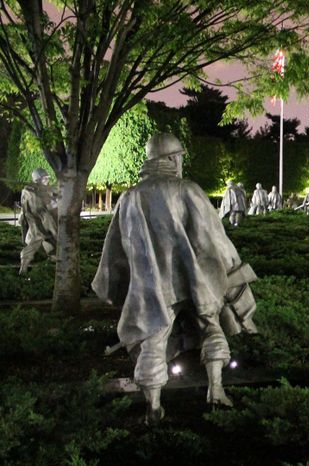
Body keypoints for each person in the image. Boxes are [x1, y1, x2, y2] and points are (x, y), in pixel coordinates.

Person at [92, 133, 258, 424]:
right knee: (211, 326)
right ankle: (216, 389)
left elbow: (115, 250)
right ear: (169, 159)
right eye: (179, 156)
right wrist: (231, 271)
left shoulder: (130, 197)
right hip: (195, 280)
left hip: (152, 286)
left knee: (152, 341)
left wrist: (115, 286)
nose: (181, 161)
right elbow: (214, 238)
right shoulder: (188, 190)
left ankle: (154, 405)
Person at [18, 168, 58, 275]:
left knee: (53, 247)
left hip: (44, 227)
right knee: (33, 245)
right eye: (44, 179)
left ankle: (53, 268)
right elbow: (46, 207)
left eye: (47, 178)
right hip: (39, 227)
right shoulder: (30, 193)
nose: (47, 181)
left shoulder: (43, 190)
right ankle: (23, 270)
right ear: (38, 180)